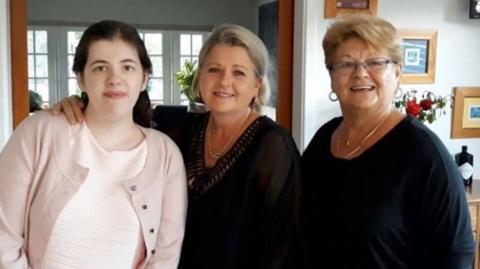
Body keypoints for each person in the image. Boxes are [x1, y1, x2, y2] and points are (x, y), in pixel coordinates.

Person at [51, 24, 302, 268]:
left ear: (257, 85)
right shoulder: (178, 130)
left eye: (239, 72)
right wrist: (81, 103)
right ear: (200, 76)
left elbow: (281, 250)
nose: (224, 82)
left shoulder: (273, 147)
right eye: (214, 69)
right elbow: (118, 118)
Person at [0, 20, 187, 268]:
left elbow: (165, 254)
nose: (114, 79)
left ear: (144, 79)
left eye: (127, 67)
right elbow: (4, 238)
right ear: (80, 78)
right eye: (100, 68)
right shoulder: (39, 132)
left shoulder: (166, 155)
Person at [302, 14, 474, 268]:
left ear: (397, 72)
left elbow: (456, 255)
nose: (360, 73)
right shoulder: (323, 140)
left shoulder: (425, 155)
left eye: (375, 62)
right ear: (331, 75)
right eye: (346, 64)